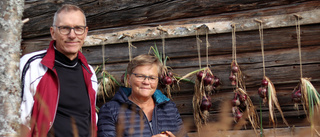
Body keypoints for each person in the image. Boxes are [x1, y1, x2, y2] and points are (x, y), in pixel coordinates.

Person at [20, 4, 98, 137]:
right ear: (53, 32)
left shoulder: (89, 72)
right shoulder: (32, 65)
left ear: (85, 33)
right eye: (64, 28)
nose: (72, 35)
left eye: (78, 28)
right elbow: (18, 119)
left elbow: (91, 119)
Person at [97, 54, 185, 137]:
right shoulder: (111, 110)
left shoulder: (170, 108)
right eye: (140, 76)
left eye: (152, 78)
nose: (146, 82)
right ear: (128, 79)